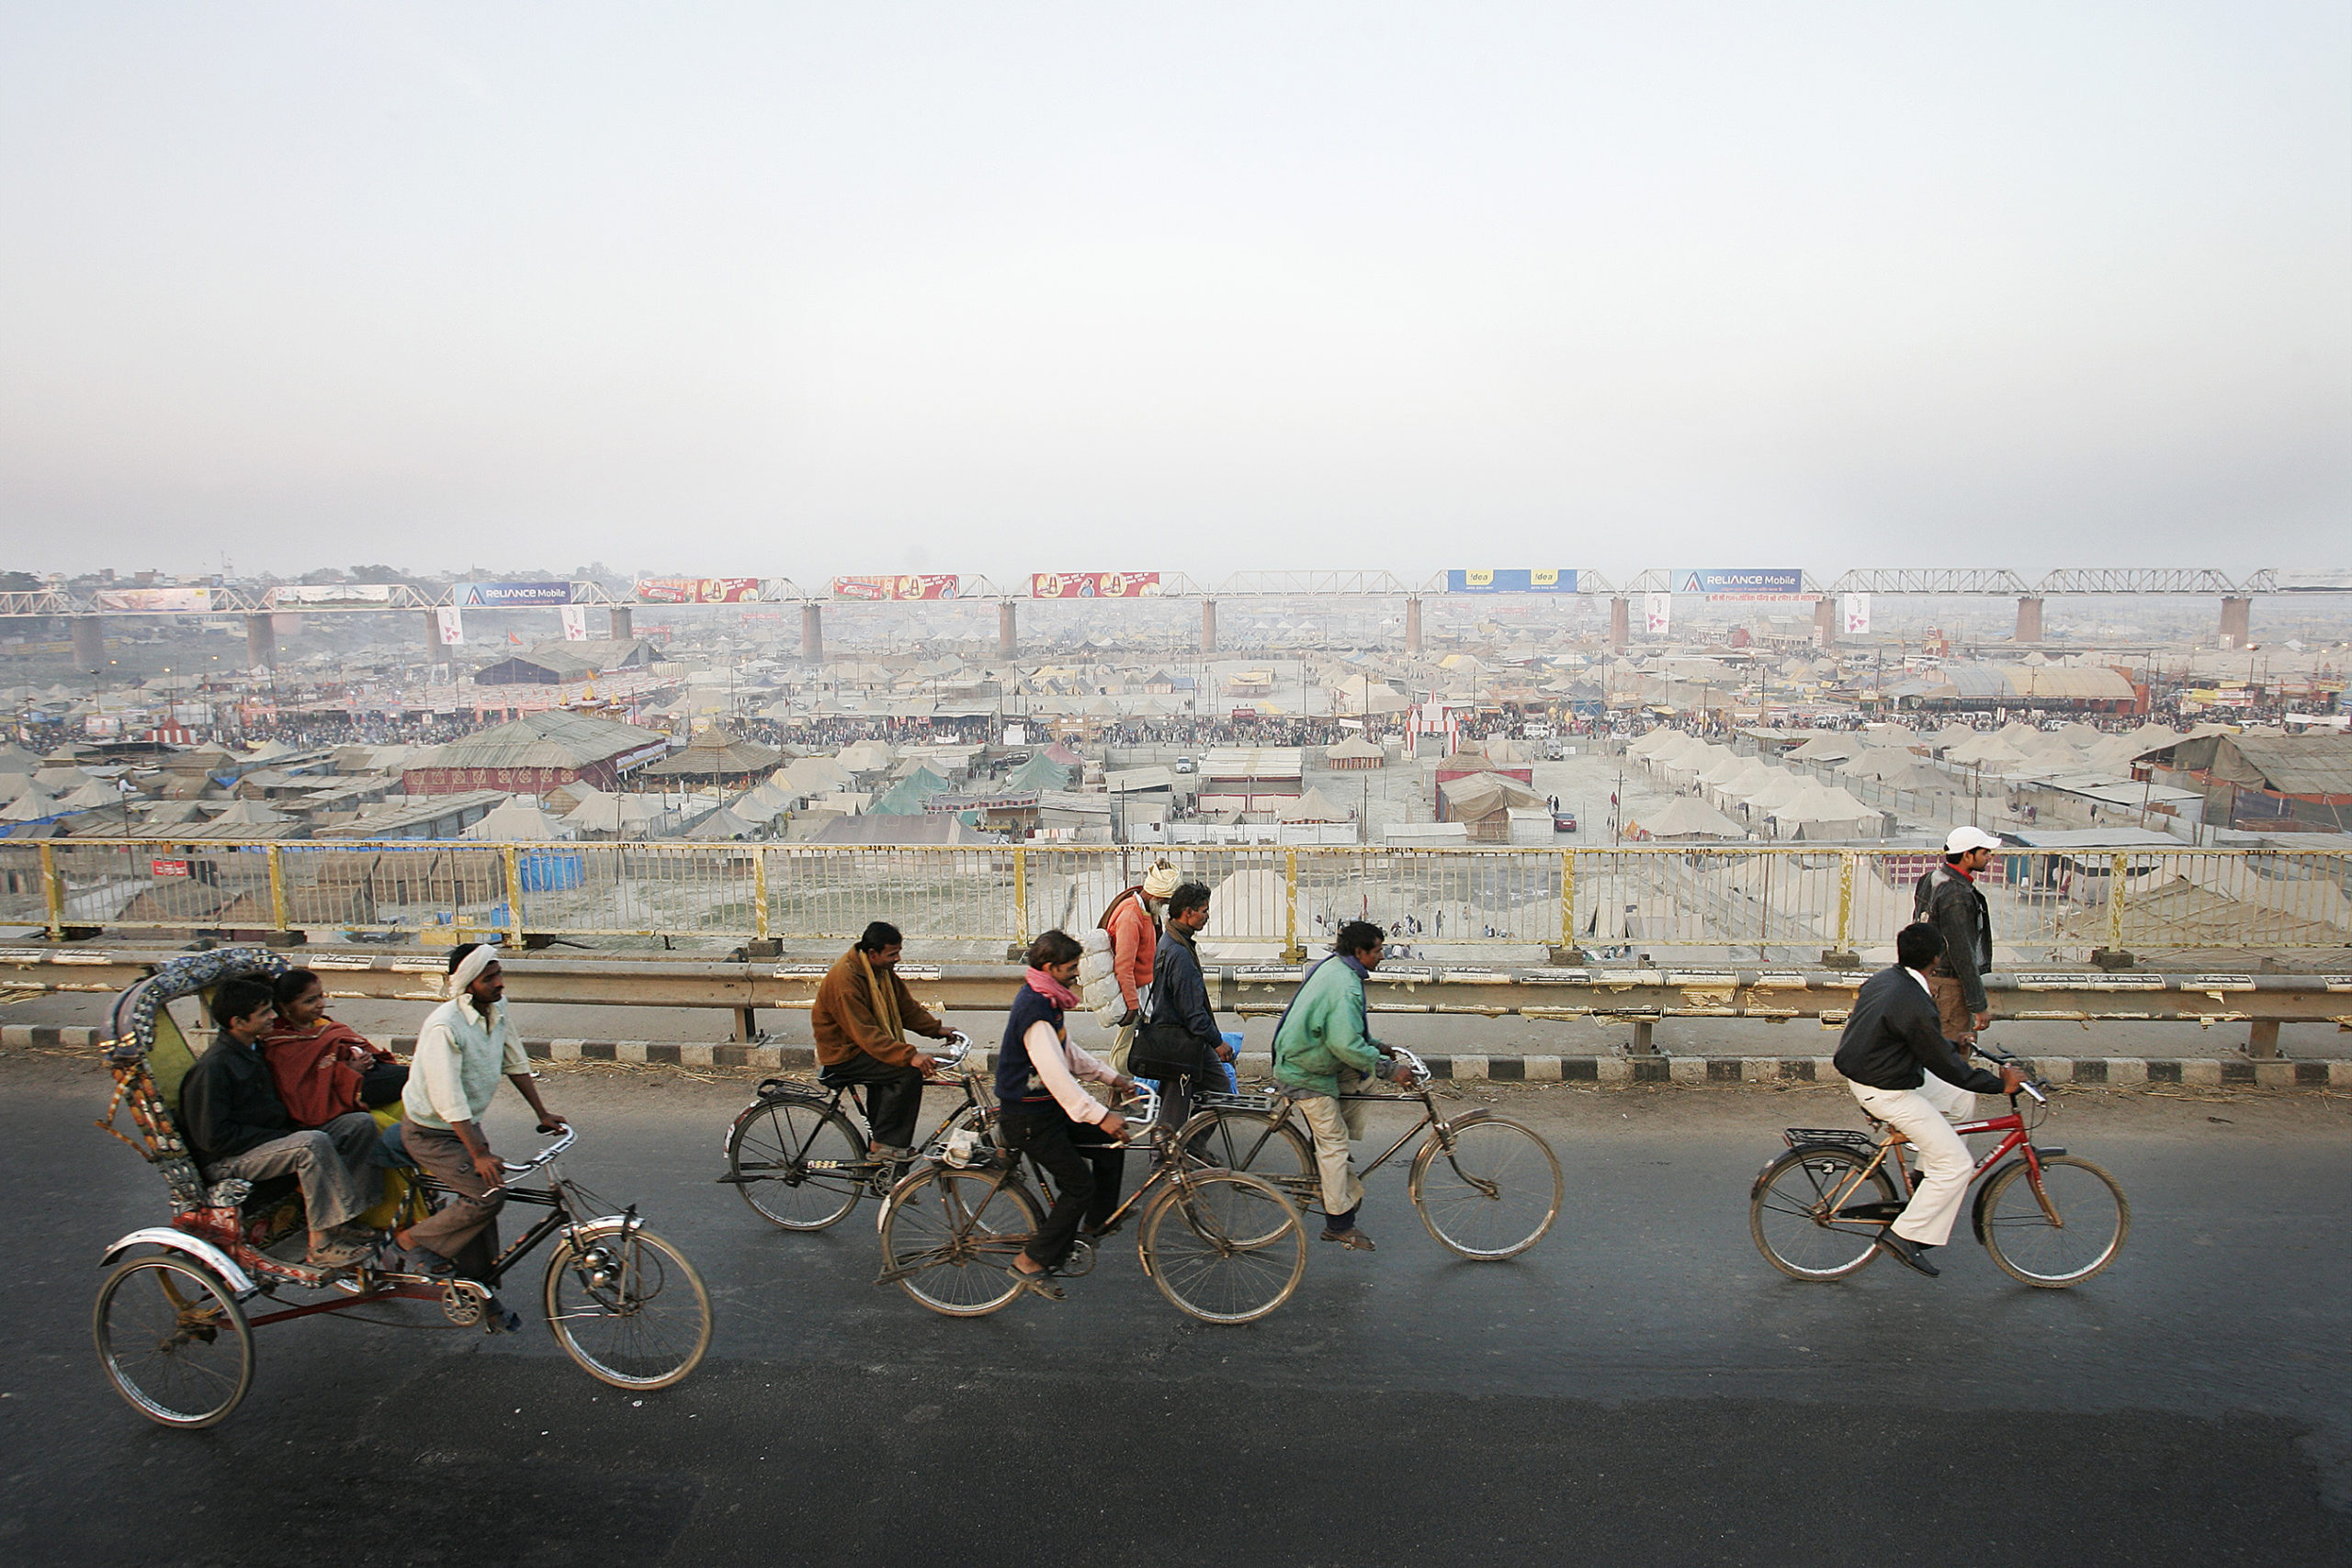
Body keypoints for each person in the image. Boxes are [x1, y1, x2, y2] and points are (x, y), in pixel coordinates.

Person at [1833, 922, 2023, 1277]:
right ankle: (1904, 1236)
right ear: (1936, 959)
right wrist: (2001, 1085)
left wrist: (1954, 1045)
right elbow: (1945, 1065)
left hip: (1876, 1071)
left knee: (1959, 1099)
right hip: (1886, 1089)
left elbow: (1924, 1044)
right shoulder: (1916, 1000)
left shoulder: (1888, 980)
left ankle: (1925, 1179)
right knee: (1957, 1165)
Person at [391, 944, 568, 1317]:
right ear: (468, 984)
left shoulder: (496, 1010)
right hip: (430, 1131)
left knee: (483, 1202)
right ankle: (410, 1241)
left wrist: (543, 1113)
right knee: (487, 1195)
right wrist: (478, 1154)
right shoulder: (445, 1026)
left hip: (465, 1126)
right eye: (490, 979)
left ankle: (475, 1290)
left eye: (499, 975)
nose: (500, 984)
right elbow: (447, 1097)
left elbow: (515, 1060)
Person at [178, 976, 381, 1268]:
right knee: (310, 1144)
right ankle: (322, 1242)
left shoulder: (257, 1049)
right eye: (264, 1013)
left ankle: (350, 1217)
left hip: (272, 1139)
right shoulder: (214, 1067)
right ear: (238, 1022)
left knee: (359, 1124)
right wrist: (277, 1138)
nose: (274, 1016)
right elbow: (214, 1137)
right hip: (229, 1158)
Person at [997, 931, 1139, 1300]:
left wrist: (1113, 1078)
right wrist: (1099, 1114)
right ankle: (1030, 1261)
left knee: (1110, 1144)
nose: (1077, 974)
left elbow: (1069, 1053)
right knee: (1079, 1186)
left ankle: (1096, 1223)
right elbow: (1057, 1076)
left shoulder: (1049, 1000)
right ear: (1050, 968)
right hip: (1028, 1118)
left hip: (1046, 1110)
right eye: (1072, 968)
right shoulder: (1035, 1013)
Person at [1270, 920, 1416, 1252]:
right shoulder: (1345, 985)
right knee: (1333, 1141)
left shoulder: (1336, 967)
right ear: (1360, 952)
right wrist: (1390, 1070)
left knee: (1359, 1083)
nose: (1381, 956)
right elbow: (1345, 1044)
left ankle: (1331, 1170)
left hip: (1310, 1058)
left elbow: (1345, 1031)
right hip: (1304, 1071)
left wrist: (1376, 1046)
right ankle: (1339, 1224)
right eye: (1377, 950)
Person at [811, 920, 957, 1160]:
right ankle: (886, 1146)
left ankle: (884, 1158)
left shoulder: (880, 971)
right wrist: (910, 1056)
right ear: (872, 953)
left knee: (895, 1072)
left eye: (898, 952)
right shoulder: (846, 981)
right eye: (893, 954)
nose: (897, 959)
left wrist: (936, 1030)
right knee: (906, 1072)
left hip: (863, 1045)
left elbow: (905, 1008)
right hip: (844, 1052)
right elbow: (866, 1034)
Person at [1138, 882, 1233, 1126]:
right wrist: (1217, 1042)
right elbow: (1192, 1011)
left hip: (1183, 1038)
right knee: (1183, 1106)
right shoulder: (1178, 952)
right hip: (1182, 1041)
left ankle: (1189, 1149)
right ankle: (1168, 1158)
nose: (1207, 916)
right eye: (1204, 910)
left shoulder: (1172, 939)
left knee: (1195, 1099)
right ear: (1188, 912)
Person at [261, 969, 406, 1128]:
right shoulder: (279, 1041)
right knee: (378, 1122)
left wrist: (366, 1057)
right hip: (332, 1101)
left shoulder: (324, 1025)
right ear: (284, 1007)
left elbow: (358, 1046)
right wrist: (350, 1071)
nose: (320, 1005)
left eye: (320, 997)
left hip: (363, 1087)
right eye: (309, 1001)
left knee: (408, 1102)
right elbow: (302, 1089)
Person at [1915, 826, 2000, 1045]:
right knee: (1952, 1057)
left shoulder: (1931, 879)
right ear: (1967, 855)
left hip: (1927, 979)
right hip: (1948, 989)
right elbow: (1962, 953)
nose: (1989, 857)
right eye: (1984, 853)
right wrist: (1978, 1005)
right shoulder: (1957, 896)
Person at [1096, 862, 1178, 1072]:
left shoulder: (1145, 911)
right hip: (1134, 991)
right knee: (1124, 1047)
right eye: (1165, 901)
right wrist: (1132, 1004)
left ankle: (1123, 1089)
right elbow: (1124, 965)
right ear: (1157, 897)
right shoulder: (1131, 916)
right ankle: (1118, 1090)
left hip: (1145, 988)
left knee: (1134, 1044)